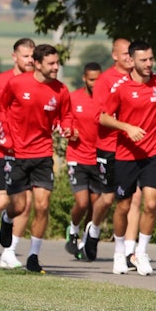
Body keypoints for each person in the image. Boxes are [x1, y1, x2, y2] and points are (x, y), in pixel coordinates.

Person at [0, 44, 75, 273]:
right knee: (19, 206)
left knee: (42, 205)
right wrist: (1, 131)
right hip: (18, 154)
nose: (56, 67)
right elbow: (0, 107)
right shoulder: (18, 84)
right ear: (38, 64)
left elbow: (66, 116)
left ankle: (33, 256)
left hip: (42, 154)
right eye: (51, 63)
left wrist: (66, 128)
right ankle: (7, 220)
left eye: (57, 63)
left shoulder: (61, 90)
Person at [100, 41, 156, 276]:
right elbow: (103, 118)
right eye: (144, 60)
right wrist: (126, 127)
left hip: (152, 153)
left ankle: (140, 253)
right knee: (123, 205)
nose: (149, 64)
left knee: (150, 204)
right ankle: (119, 252)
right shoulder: (121, 88)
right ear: (131, 61)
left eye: (151, 59)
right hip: (125, 155)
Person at [78, 38, 138, 263]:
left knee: (134, 198)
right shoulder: (105, 81)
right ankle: (93, 230)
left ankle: (130, 251)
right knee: (108, 197)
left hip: (133, 148)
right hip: (108, 146)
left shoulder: (139, 78)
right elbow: (99, 116)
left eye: (131, 54)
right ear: (115, 56)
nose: (129, 59)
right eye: (125, 54)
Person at [0, 37, 35, 266]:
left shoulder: (39, 83)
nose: (29, 60)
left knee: (22, 204)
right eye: (25, 56)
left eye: (32, 56)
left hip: (26, 152)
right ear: (14, 57)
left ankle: (9, 252)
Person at [64, 63, 102, 258]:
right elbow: (66, 120)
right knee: (82, 202)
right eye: (91, 80)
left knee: (96, 206)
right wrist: (70, 131)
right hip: (78, 157)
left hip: (99, 158)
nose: (95, 83)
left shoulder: (106, 98)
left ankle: (86, 243)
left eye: (98, 79)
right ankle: (73, 229)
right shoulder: (74, 98)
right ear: (84, 79)